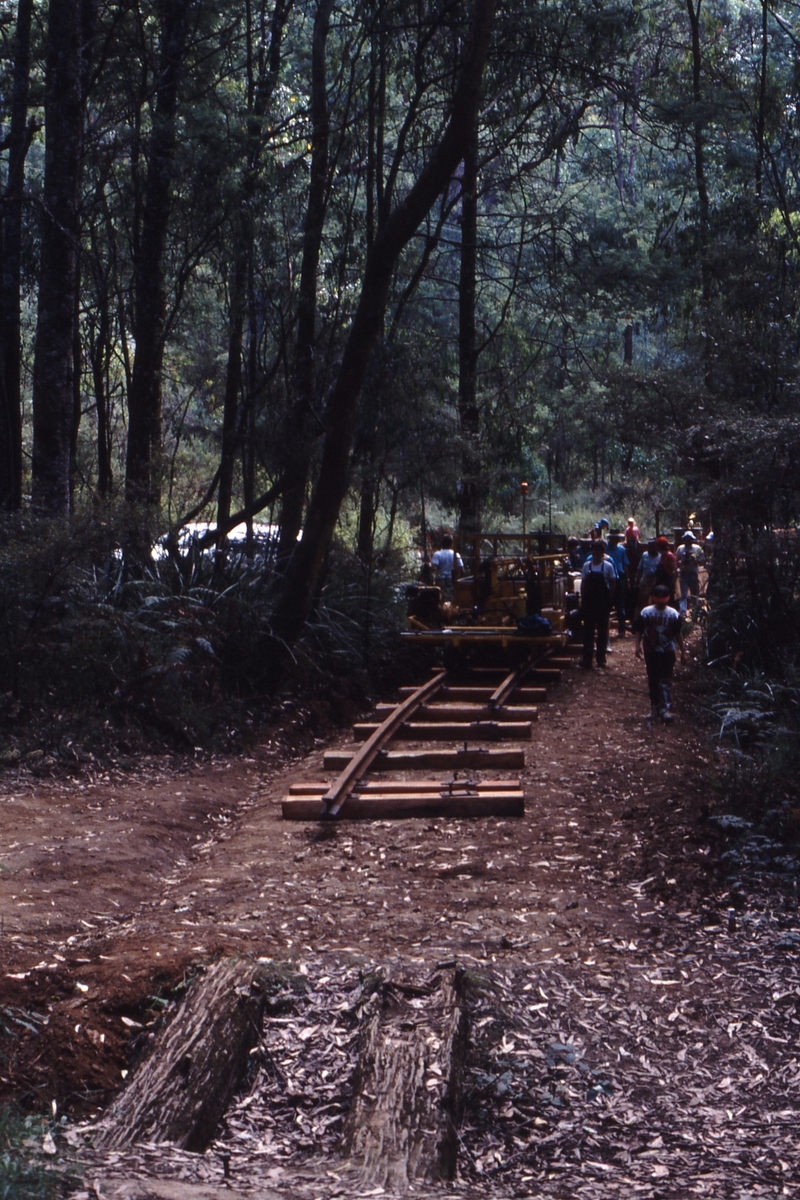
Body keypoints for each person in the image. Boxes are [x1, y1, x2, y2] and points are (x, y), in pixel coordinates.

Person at [634, 583, 686, 722]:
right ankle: (654, 706)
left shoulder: (673, 614)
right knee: (653, 679)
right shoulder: (646, 612)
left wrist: (683, 651)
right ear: (653, 599)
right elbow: (639, 630)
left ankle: (665, 708)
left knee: (666, 679)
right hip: (650, 651)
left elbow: (678, 633)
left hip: (667, 651)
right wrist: (637, 646)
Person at [580, 538, 616, 668]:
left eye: (598, 550)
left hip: (602, 603)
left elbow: (613, 583)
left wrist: (609, 600)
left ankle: (601, 659)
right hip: (589, 603)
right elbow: (583, 584)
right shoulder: (586, 566)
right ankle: (587, 659)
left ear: (602, 552)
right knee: (588, 632)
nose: (595, 552)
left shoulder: (608, 566)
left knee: (602, 632)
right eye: (593, 550)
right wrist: (583, 599)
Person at [676, 531, 705, 616]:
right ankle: (683, 613)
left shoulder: (697, 549)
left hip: (693, 573)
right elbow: (676, 561)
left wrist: (694, 559)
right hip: (684, 574)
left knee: (694, 595)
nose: (688, 541)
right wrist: (682, 561)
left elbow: (702, 560)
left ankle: (695, 613)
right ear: (684, 540)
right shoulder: (680, 548)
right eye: (686, 539)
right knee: (683, 595)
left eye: (690, 539)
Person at [606, 536, 629, 636]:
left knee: (620, 605)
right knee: (606, 604)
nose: (614, 540)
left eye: (616, 539)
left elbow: (625, 565)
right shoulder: (605, 548)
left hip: (619, 577)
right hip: (607, 577)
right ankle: (604, 629)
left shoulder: (622, 549)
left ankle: (621, 630)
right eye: (612, 538)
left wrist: (627, 580)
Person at [635, 538, 660, 616]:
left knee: (656, 601)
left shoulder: (660, 556)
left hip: (656, 580)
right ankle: (638, 620)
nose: (652, 547)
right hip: (645, 580)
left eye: (653, 545)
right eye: (650, 545)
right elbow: (640, 569)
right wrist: (637, 581)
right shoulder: (645, 555)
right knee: (642, 601)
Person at [654, 535, 677, 602]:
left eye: (657, 545)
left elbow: (675, 570)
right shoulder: (661, 556)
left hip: (667, 583)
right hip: (660, 582)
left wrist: (672, 583)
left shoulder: (669, 556)